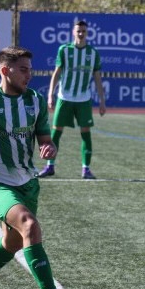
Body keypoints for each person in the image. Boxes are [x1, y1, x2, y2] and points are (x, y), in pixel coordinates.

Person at [0, 46, 70, 289]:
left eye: (30, 70)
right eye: (23, 69)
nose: (29, 75)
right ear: (5, 70)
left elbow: (45, 139)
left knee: (12, 241)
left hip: (28, 182)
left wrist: (49, 147)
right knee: (29, 225)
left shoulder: (33, 100)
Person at [38, 20, 107, 180]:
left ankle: (86, 169)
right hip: (64, 98)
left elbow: (97, 78)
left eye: (83, 31)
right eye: (78, 31)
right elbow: (56, 73)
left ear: (87, 33)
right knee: (55, 133)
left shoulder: (93, 53)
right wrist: (50, 94)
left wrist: (102, 101)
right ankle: (49, 166)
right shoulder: (65, 50)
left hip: (84, 99)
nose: (81, 33)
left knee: (85, 133)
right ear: (73, 32)